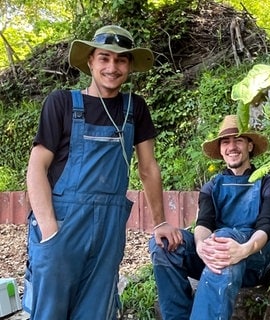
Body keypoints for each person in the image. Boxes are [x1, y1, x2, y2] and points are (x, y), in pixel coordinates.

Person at [22, 25, 182, 320]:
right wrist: (49, 232)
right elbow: (37, 167)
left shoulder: (135, 108)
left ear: (130, 66)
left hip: (109, 227)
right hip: (62, 220)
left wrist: (160, 222)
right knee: (49, 313)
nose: (112, 67)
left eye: (121, 60)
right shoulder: (63, 103)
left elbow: (148, 168)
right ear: (91, 62)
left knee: (96, 312)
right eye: (104, 58)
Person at [149, 114, 270, 320]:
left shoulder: (269, 185)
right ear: (221, 150)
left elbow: (266, 226)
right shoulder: (211, 187)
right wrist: (201, 246)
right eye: (226, 142)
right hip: (217, 252)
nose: (232, 147)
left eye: (238, 140)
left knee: (224, 238)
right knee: (163, 243)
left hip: (255, 256)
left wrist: (243, 249)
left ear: (249, 146)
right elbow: (204, 223)